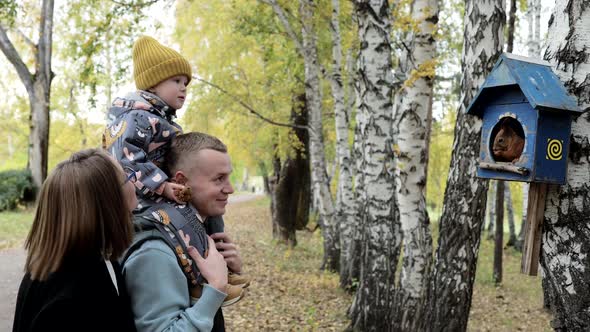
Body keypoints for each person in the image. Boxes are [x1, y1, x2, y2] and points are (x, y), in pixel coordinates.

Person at [102, 35, 248, 293]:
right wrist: (163, 186)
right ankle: (198, 282)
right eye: (176, 81)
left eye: (186, 83)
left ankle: (221, 266)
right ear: (153, 84)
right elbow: (127, 160)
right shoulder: (136, 118)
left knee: (212, 217)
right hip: (144, 197)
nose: (184, 88)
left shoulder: (161, 117)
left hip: (162, 190)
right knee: (183, 221)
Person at [123, 132, 247, 332]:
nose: (230, 188)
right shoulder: (155, 251)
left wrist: (229, 271)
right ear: (181, 181)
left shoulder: (196, 233)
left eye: (229, 177)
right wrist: (215, 287)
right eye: (219, 179)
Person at [12, 149, 138, 332]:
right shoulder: (70, 303)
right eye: (127, 177)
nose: (135, 181)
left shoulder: (99, 260)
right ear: (107, 204)